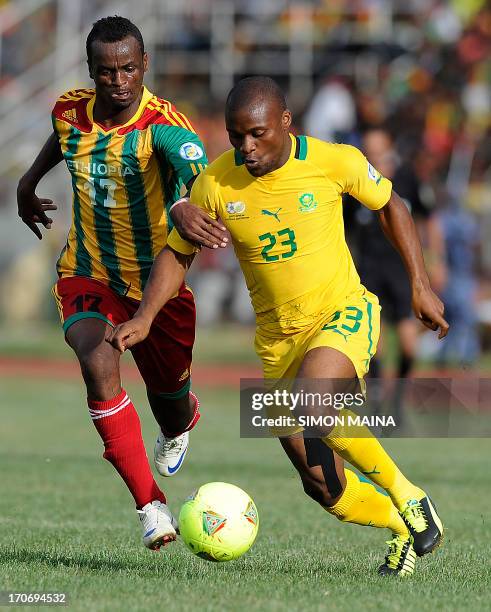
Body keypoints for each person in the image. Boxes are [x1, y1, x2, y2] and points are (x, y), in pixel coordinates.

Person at [108, 76, 449, 576]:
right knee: (320, 485)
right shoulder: (215, 183)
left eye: (257, 133)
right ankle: (401, 528)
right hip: (277, 343)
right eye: (235, 135)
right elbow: (179, 253)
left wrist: (419, 284)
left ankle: (411, 499)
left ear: (285, 123)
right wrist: (145, 315)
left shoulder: (335, 160)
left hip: (341, 313)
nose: (246, 146)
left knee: (315, 401)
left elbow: (392, 206)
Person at [16, 16, 225, 551]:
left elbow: (188, 171)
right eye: (107, 71)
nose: (119, 80)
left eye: (129, 68)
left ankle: (181, 421)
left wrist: (181, 203)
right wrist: (28, 181)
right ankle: (151, 506)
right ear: (92, 71)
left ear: (144, 65)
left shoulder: (165, 125)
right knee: (96, 358)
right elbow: (62, 139)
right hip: (87, 271)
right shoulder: (69, 109)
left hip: (157, 285)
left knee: (170, 402)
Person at [345, 127, 446, 423]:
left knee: (408, 343)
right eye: (368, 148)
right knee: (373, 344)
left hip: (402, 271)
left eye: (378, 147)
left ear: (389, 148)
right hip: (369, 271)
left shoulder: (406, 180)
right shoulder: (354, 185)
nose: (373, 152)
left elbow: (429, 221)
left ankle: (398, 399)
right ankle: (376, 403)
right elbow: (342, 230)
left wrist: (437, 260)